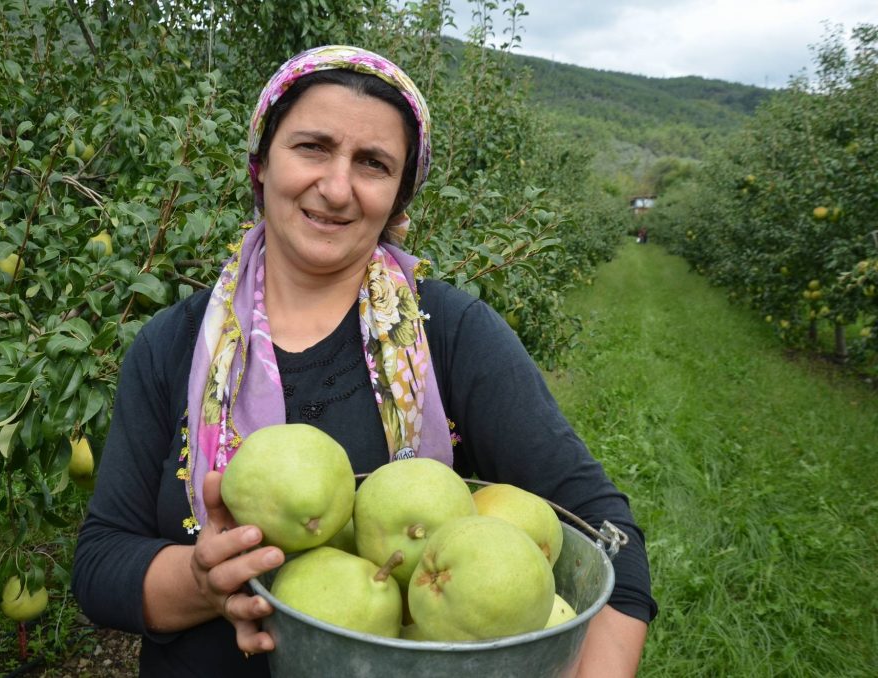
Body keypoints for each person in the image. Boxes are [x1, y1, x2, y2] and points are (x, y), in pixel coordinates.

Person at [72, 45, 657, 676]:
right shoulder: (173, 345)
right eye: (312, 147)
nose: (336, 186)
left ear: (399, 197)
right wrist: (201, 580)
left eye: (372, 163)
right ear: (261, 164)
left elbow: (607, 542)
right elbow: (102, 564)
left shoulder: (451, 335)